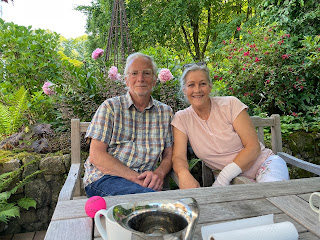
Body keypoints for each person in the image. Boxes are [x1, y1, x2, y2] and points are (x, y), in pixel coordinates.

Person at [171, 63, 289, 189]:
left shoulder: (230, 104)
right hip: (233, 182)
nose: (197, 90)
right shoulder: (182, 119)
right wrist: (183, 174)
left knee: (273, 194)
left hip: (264, 165)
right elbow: (178, 156)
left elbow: (253, 147)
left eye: (203, 84)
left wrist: (222, 179)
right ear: (184, 90)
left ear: (210, 87)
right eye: (191, 85)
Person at [83, 52, 173, 196]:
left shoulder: (165, 112)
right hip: (105, 178)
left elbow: (169, 154)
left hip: (144, 184)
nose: (140, 79)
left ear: (155, 80)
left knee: (146, 202)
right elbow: (96, 155)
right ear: (126, 80)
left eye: (147, 73)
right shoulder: (110, 107)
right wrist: (136, 179)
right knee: (147, 201)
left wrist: (159, 173)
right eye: (134, 73)